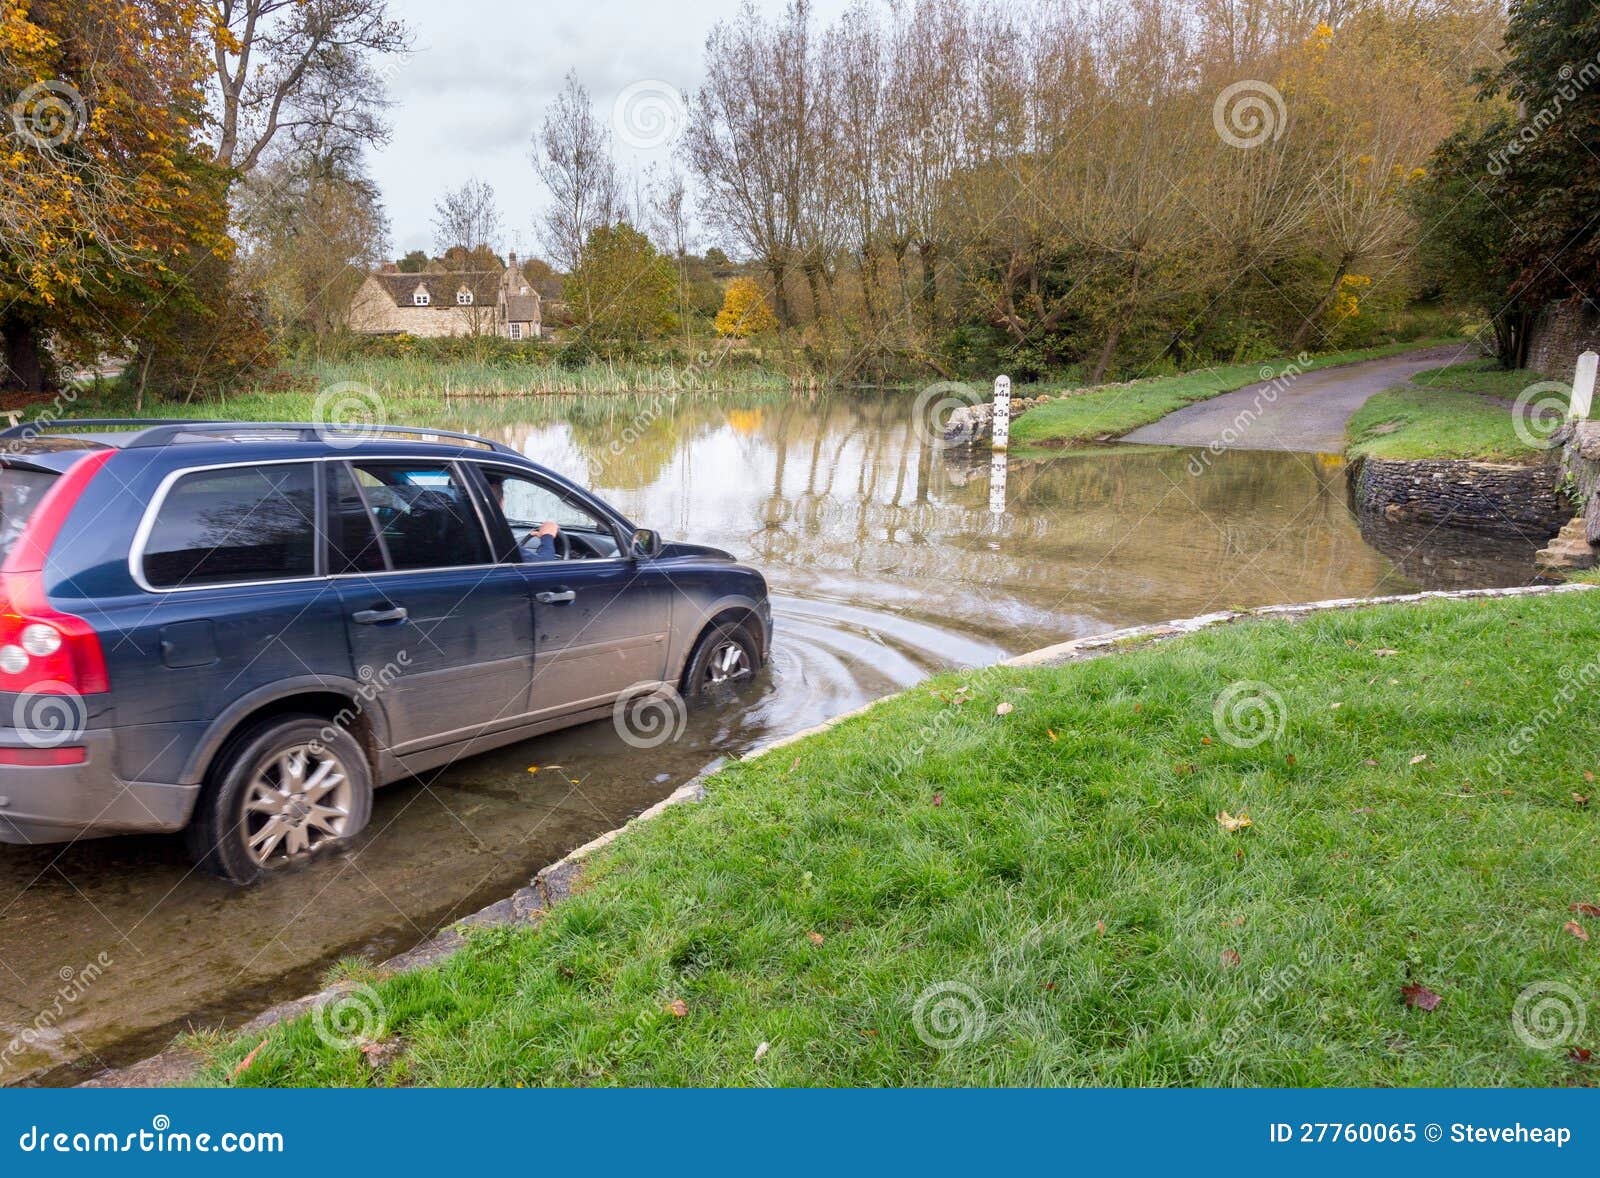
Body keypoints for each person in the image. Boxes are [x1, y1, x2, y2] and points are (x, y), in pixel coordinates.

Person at [486, 474, 560, 562]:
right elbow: (543, 565)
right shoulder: (492, 537)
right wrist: (547, 536)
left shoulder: (472, 531)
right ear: (501, 503)